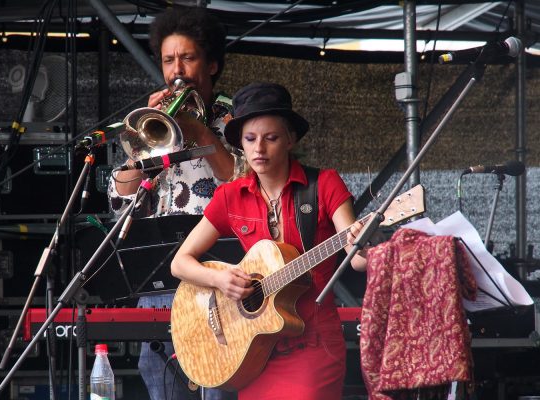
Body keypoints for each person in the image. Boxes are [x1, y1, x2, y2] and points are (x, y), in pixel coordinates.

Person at [170, 82, 368, 399]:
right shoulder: (230, 196)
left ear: (290, 139)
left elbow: (356, 259)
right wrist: (219, 279)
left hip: (312, 342)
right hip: (256, 348)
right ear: (241, 145)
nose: (259, 148)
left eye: (271, 138)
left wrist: (366, 245)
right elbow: (180, 263)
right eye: (250, 139)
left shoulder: (324, 184)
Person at [106, 7, 240, 400]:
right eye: (168, 60)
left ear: (212, 64)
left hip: (220, 276)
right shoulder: (154, 122)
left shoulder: (237, 122)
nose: (176, 69)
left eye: (188, 57)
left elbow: (244, 181)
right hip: (162, 281)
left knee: (215, 380)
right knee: (155, 369)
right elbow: (120, 201)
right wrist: (143, 140)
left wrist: (199, 132)